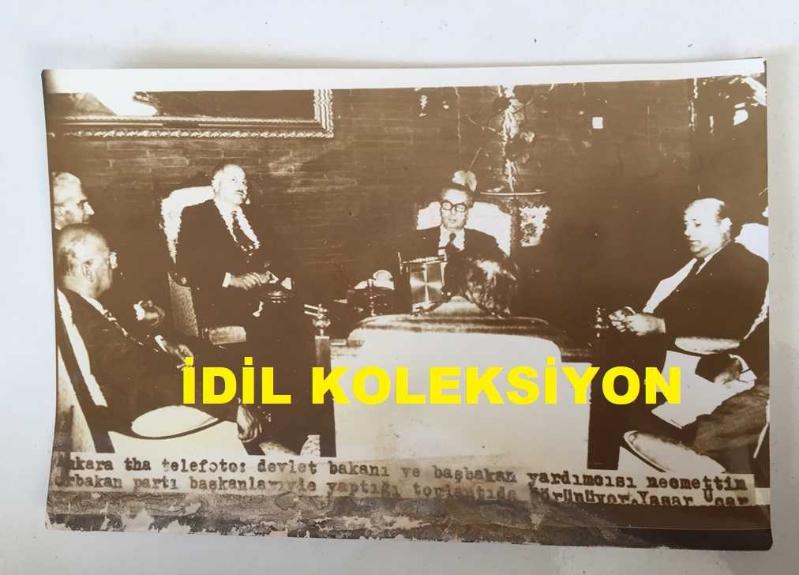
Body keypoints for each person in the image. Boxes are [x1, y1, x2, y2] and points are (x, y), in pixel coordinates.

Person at [55, 224, 261, 442]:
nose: (115, 264)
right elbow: (146, 379)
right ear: (86, 269)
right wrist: (230, 407)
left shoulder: (80, 307)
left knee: (217, 359)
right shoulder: (87, 322)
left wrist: (164, 346)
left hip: (153, 386)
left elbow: (127, 356)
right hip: (147, 416)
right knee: (233, 376)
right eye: (109, 258)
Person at [175, 163, 327, 455]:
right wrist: (231, 279)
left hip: (267, 297)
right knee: (281, 331)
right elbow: (186, 265)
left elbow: (284, 254)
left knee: (308, 321)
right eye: (234, 179)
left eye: (244, 181)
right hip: (221, 299)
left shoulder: (255, 215)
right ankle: (283, 424)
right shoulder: (196, 215)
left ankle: (305, 419)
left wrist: (271, 275)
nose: (242, 186)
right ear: (215, 184)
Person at [608, 197, 767, 342]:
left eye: (697, 224)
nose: (686, 232)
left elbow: (731, 325)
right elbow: (651, 295)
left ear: (724, 224)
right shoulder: (684, 259)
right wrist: (630, 313)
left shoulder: (747, 266)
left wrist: (661, 325)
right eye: (686, 225)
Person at [51, 171, 165, 331]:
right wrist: (138, 314)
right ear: (58, 212)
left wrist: (137, 303)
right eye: (81, 204)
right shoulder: (53, 253)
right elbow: (86, 310)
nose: (91, 211)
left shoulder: (88, 235)